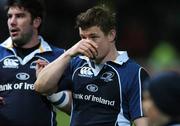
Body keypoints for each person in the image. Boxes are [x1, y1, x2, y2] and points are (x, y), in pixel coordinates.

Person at [35, 5, 149, 126]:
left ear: (111, 35)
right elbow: (40, 86)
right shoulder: (76, 64)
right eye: (83, 38)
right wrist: (68, 54)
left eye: (93, 37)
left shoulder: (134, 73)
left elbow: (144, 122)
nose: (87, 43)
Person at [0, 0, 72, 125]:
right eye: (9, 16)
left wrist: (50, 91)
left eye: (20, 16)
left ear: (36, 22)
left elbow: (76, 108)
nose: (12, 22)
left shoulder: (59, 57)